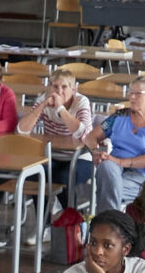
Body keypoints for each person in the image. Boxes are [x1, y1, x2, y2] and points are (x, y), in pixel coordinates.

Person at [85, 77, 145, 213]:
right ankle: (111, 221)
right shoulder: (119, 117)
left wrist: (119, 161)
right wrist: (94, 151)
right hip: (114, 169)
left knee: (107, 189)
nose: (132, 97)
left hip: (143, 175)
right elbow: (91, 137)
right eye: (131, 92)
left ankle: (107, 221)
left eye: (138, 94)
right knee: (107, 166)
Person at [19, 70, 98, 202]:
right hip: (52, 156)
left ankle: (72, 215)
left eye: (64, 87)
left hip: (81, 157)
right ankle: (44, 215)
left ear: (73, 89)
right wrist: (42, 105)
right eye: (55, 86)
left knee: (64, 180)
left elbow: (86, 136)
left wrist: (60, 108)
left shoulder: (81, 102)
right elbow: (21, 130)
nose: (59, 91)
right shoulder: (43, 100)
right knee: (35, 176)